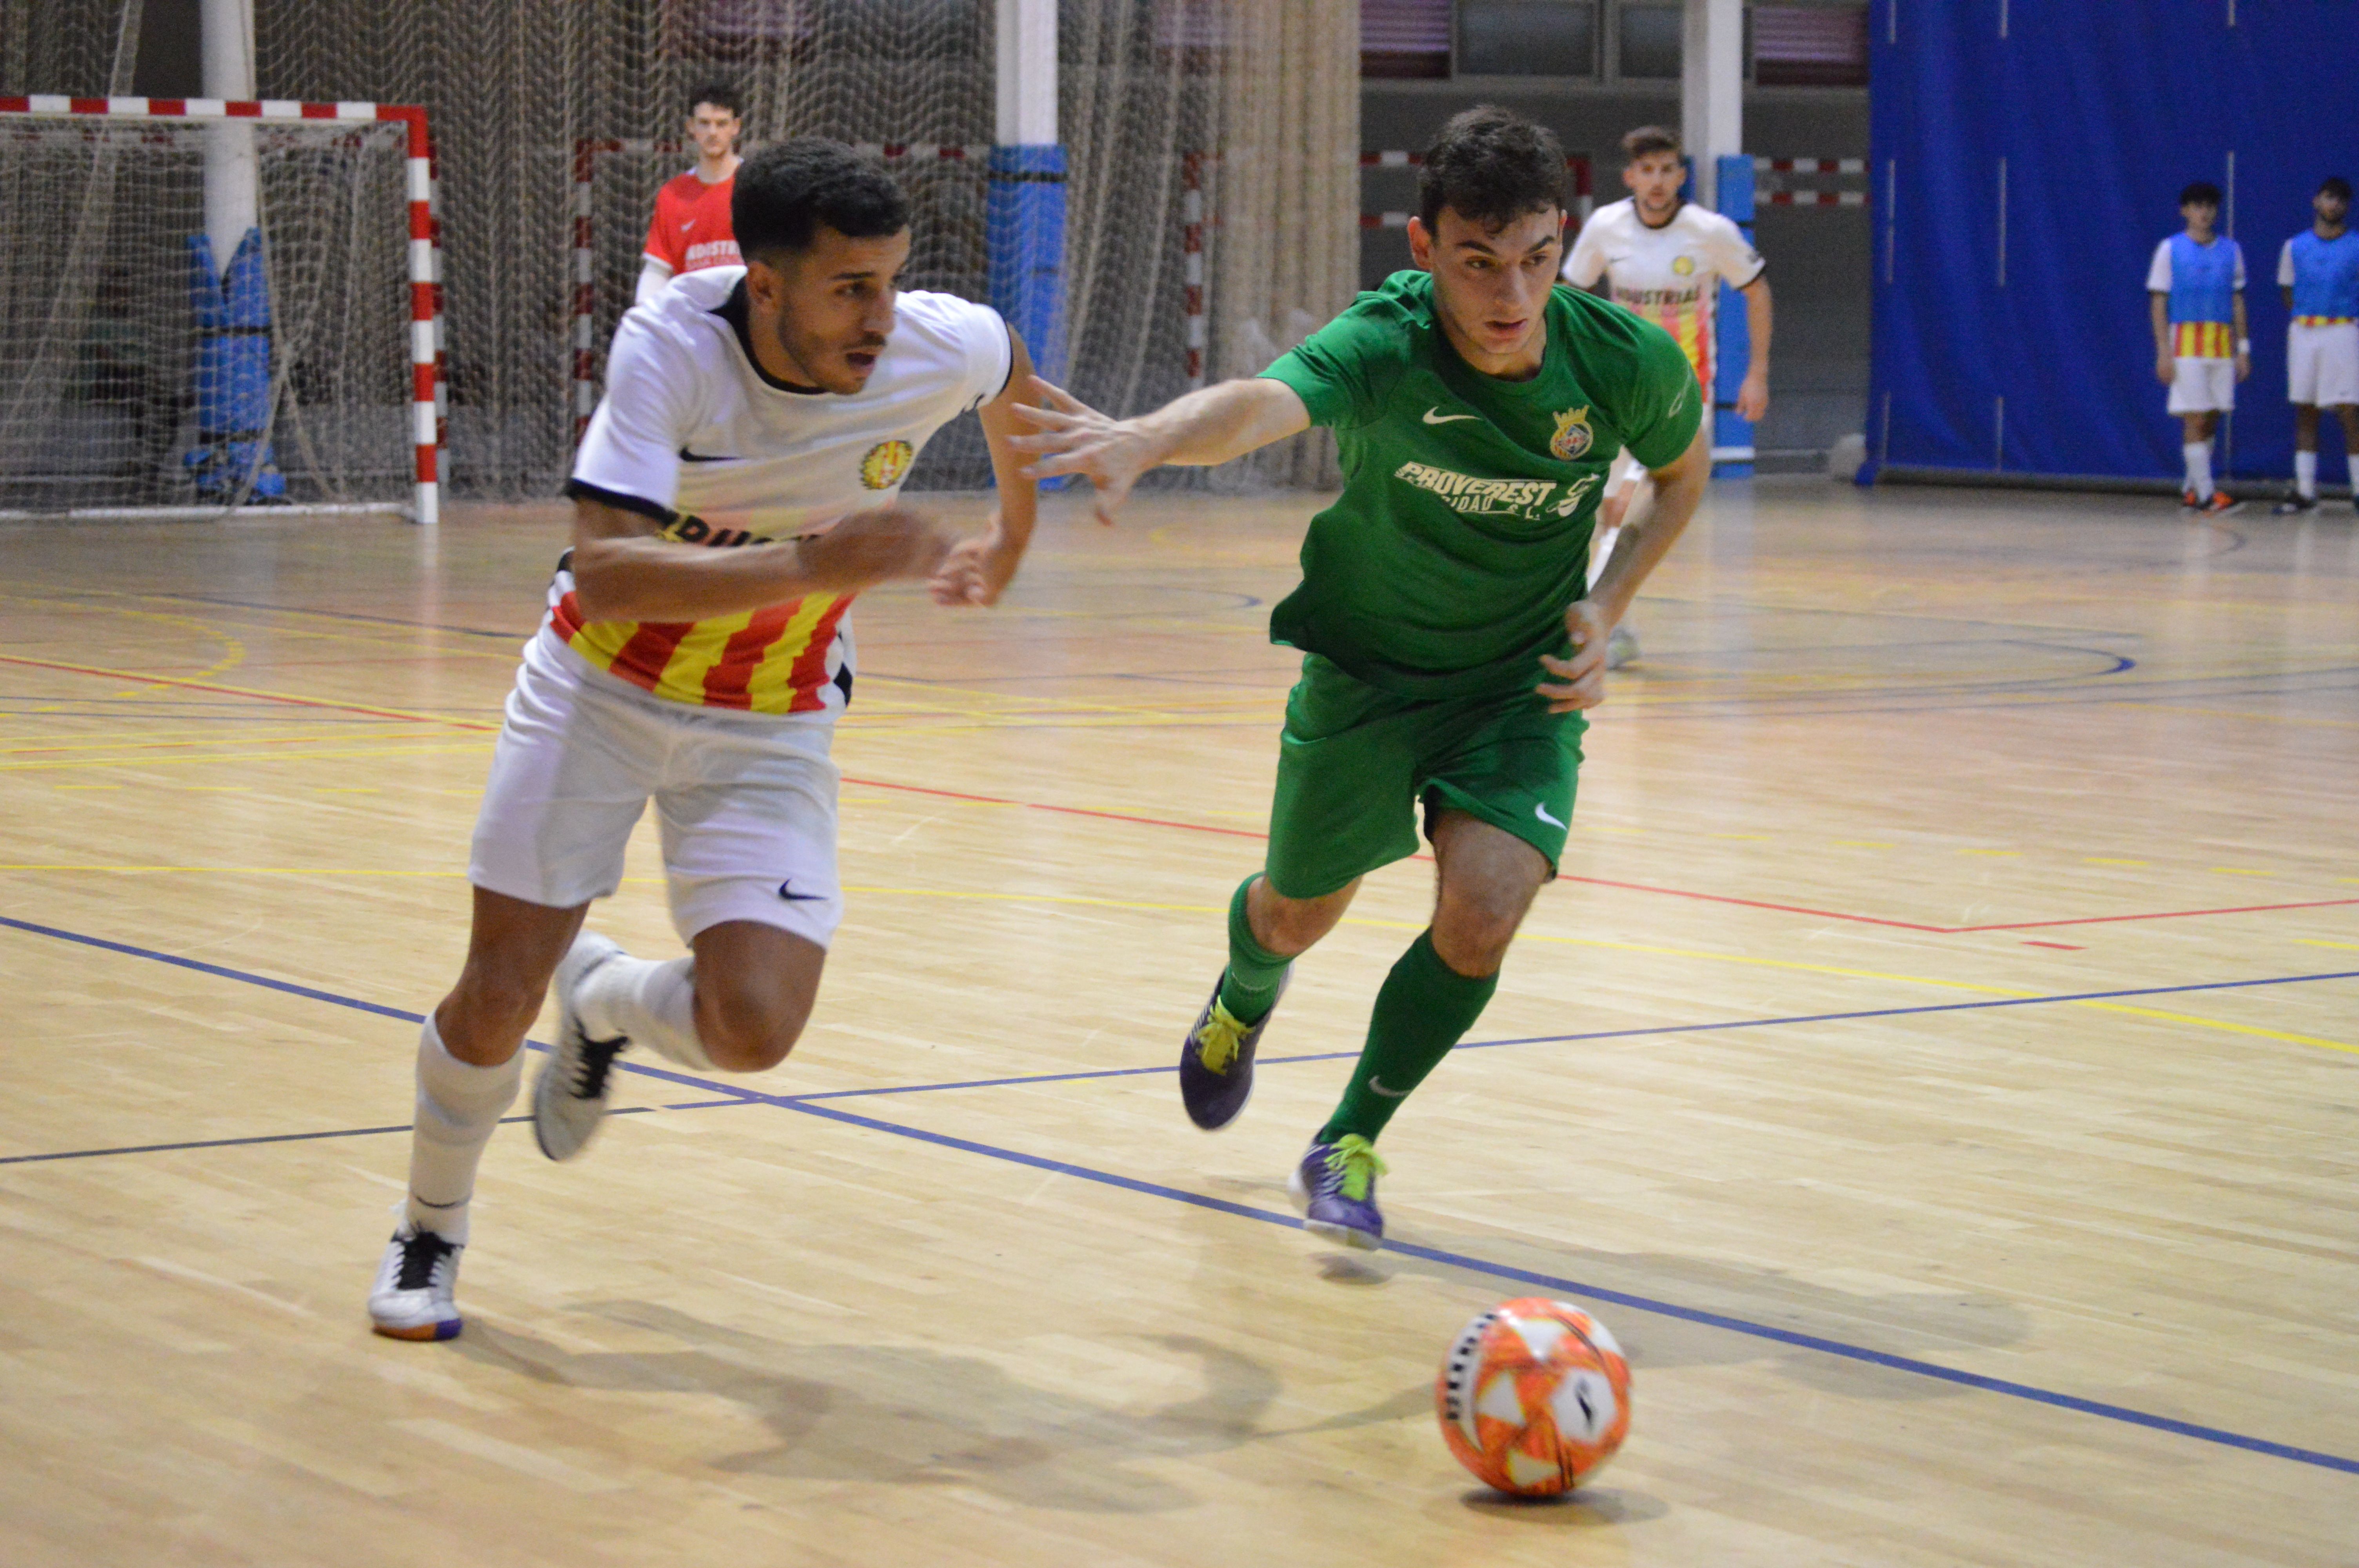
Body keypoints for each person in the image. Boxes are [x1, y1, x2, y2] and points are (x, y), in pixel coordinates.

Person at [369, 139, 1042, 1340]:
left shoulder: (938, 340)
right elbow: (611, 574)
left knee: (756, 1027)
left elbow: (1016, 394)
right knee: (491, 997)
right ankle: (430, 1226)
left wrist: (1013, 539)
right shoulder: (670, 346)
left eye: (891, 281)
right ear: (765, 285)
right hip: (597, 690)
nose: (881, 317)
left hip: (769, 721)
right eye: (850, 289)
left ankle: (611, 1002)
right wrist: (810, 563)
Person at [1012, 106, 1710, 1252]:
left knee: (1484, 911)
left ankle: (1347, 1136)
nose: (1512, 296)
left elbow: (1680, 479)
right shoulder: (1388, 343)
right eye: (1479, 264)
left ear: (1562, 242)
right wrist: (1147, 435)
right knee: (1295, 913)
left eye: (1536, 260)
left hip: (1515, 686)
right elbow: (1259, 404)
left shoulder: (1617, 360)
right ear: (1423, 248)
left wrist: (1605, 604)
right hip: (1369, 676)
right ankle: (1245, 987)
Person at [1561, 124, 1769, 670]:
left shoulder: (1711, 231)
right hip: (1614, 390)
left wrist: (1757, 373)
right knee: (1608, 510)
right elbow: (1569, 297)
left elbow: (1757, 290)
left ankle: (1601, 622)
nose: (1658, 181)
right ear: (1631, 177)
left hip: (1683, 392)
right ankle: (1611, 620)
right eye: (1646, 171)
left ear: (1681, 175)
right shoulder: (1607, 227)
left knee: (1642, 505)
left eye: (1668, 169)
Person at [2147, 181, 2249, 517]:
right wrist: (2164, 351)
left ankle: (2192, 490)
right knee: (2195, 416)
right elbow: (2159, 301)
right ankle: (2207, 496)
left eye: (2209, 206)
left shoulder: (2231, 251)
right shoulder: (2170, 249)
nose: (2204, 213)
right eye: (2197, 206)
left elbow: (2237, 301)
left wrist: (2243, 349)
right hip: (2185, 344)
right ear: (2185, 211)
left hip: (2220, 345)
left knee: (2213, 416)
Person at [2272, 176, 2359, 515]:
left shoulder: (2356, 246)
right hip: (2305, 332)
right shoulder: (2294, 247)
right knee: (2305, 408)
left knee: (2350, 411)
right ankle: (2306, 492)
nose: (2334, 204)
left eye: (2341, 200)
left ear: (2347, 207)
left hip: (2343, 331)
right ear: (2316, 201)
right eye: (2328, 197)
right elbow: (2287, 292)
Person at [637, 82, 747, 307]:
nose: (713, 133)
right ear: (691, 127)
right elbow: (658, 268)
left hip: (745, 318)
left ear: (736, 127)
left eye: (722, 124)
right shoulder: (672, 195)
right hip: (691, 321)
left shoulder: (756, 185)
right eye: (704, 123)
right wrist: (644, 314)